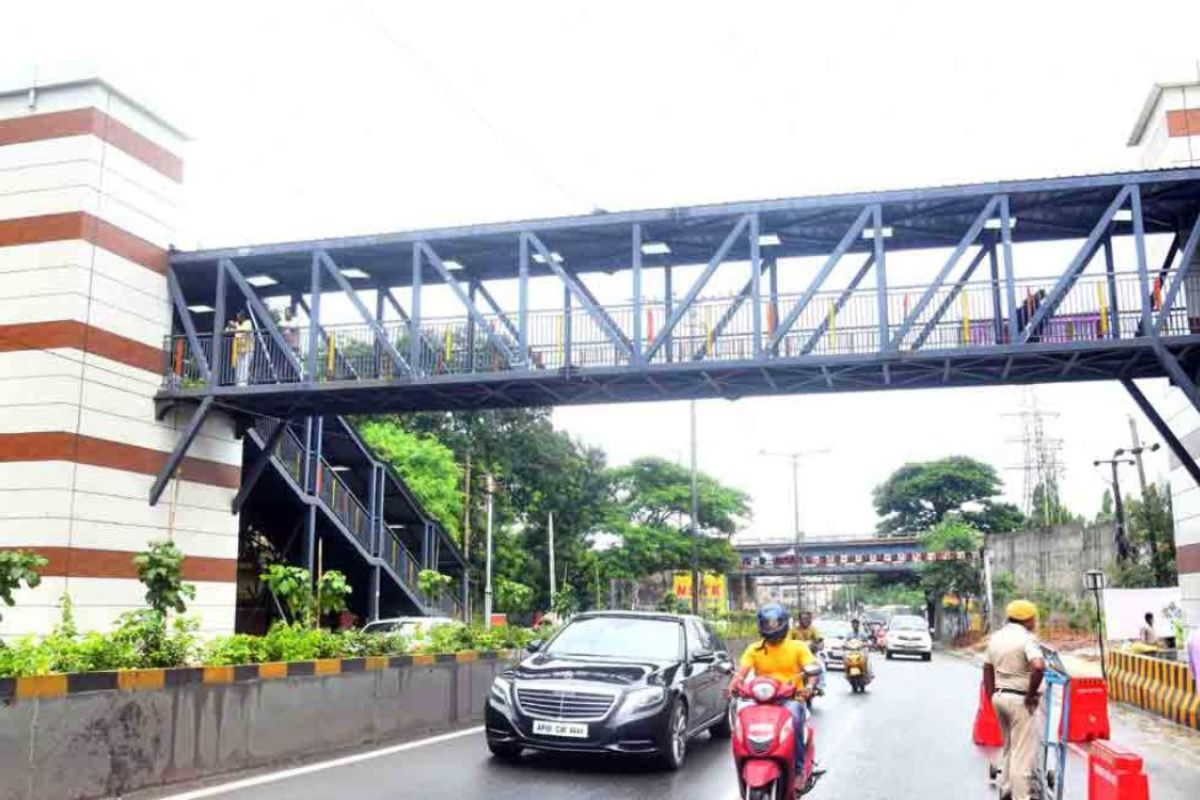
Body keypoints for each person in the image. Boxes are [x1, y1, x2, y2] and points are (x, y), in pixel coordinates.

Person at [729, 604, 818, 778]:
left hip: (791, 698)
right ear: (761, 625)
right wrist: (732, 687)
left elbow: (812, 668)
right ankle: (743, 770)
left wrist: (809, 687)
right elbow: (740, 674)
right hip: (760, 699)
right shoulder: (754, 649)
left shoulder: (798, 647)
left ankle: (798, 769)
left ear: (783, 624)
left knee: (795, 719)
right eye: (768, 624)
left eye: (775, 623)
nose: (772, 627)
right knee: (741, 722)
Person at [983, 600, 1046, 800]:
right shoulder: (1026, 638)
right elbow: (1038, 666)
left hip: (1000, 697)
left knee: (1009, 748)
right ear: (1027, 619)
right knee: (1023, 756)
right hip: (1019, 701)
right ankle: (1021, 797)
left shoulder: (996, 638)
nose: (1035, 622)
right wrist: (1030, 695)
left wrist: (992, 695)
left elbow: (987, 668)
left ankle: (1007, 791)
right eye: (1033, 618)